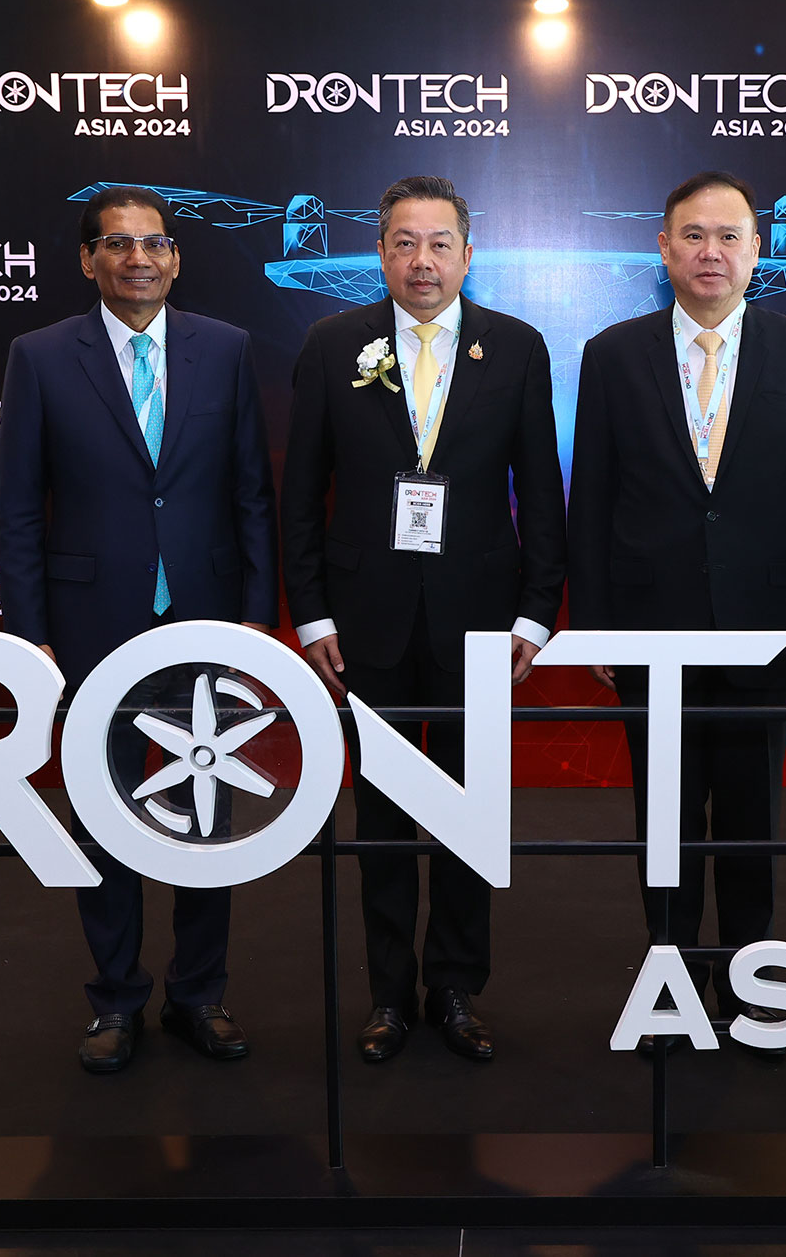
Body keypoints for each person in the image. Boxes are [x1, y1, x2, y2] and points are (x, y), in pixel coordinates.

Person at [280, 175, 566, 1063]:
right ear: (380, 253)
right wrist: (310, 612)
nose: (422, 260)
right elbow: (301, 492)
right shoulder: (333, 344)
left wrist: (537, 615)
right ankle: (387, 993)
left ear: (468, 255)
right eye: (404, 242)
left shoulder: (515, 347)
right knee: (383, 813)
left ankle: (456, 987)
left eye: (440, 243)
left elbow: (541, 491)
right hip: (365, 617)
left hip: (482, 617)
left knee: (471, 810)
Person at [0, 185, 280, 1074]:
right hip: (90, 625)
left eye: (154, 243)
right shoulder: (41, 356)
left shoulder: (225, 348)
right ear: (89, 261)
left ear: (177, 258)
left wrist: (255, 617)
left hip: (206, 619)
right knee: (102, 810)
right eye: (117, 244)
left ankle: (200, 993)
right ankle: (115, 998)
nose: (138, 258)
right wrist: (31, 633)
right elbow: (19, 510)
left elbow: (252, 492)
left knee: (207, 811)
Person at [567, 170, 786, 1054]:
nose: (711, 252)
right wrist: (595, 622)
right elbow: (592, 498)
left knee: (753, 814)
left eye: (729, 236)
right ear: (663, 247)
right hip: (649, 626)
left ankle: (750, 980)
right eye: (693, 235)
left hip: (766, 629)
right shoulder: (613, 354)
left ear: (758, 250)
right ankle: (673, 980)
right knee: (665, 817)